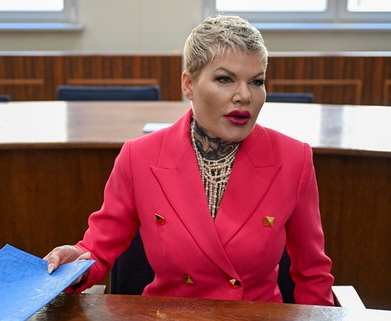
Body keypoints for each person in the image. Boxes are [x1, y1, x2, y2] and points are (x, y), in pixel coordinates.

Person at [45, 15, 334, 305]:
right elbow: (96, 250)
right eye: (225, 79)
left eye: (256, 81)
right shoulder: (138, 157)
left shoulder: (294, 159)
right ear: (188, 84)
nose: (244, 96)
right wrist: (76, 265)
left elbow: (313, 273)